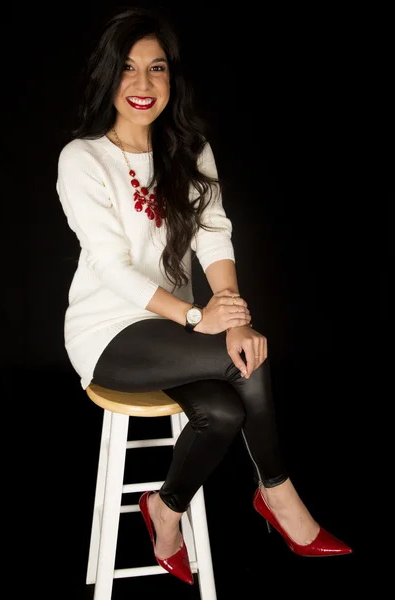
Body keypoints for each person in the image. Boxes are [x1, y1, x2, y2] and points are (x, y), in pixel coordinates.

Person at [56, 6, 352, 586]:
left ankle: (163, 510)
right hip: (109, 331)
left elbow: (214, 229)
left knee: (222, 407)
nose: (143, 85)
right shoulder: (83, 158)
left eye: (157, 69)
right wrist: (198, 317)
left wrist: (231, 311)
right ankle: (279, 497)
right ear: (107, 77)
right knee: (248, 359)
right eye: (128, 69)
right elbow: (113, 270)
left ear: (173, 79)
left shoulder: (189, 149)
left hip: (173, 328)